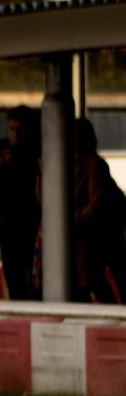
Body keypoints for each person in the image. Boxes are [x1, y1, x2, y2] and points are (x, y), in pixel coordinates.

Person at [74, 118, 126, 304]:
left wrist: (73, 218)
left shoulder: (92, 164)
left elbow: (97, 204)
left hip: (98, 236)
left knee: (95, 281)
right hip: (96, 235)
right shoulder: (77, 165)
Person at [0, 106, 42, 300]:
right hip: (8, 228)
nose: (15, 135)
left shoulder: (36, 157)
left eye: (20, 130)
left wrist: (19, 166)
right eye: (12, 130)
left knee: (33, 281)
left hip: (29, 227)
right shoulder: (4, 162)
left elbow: (34, 192)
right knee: (14, 281)